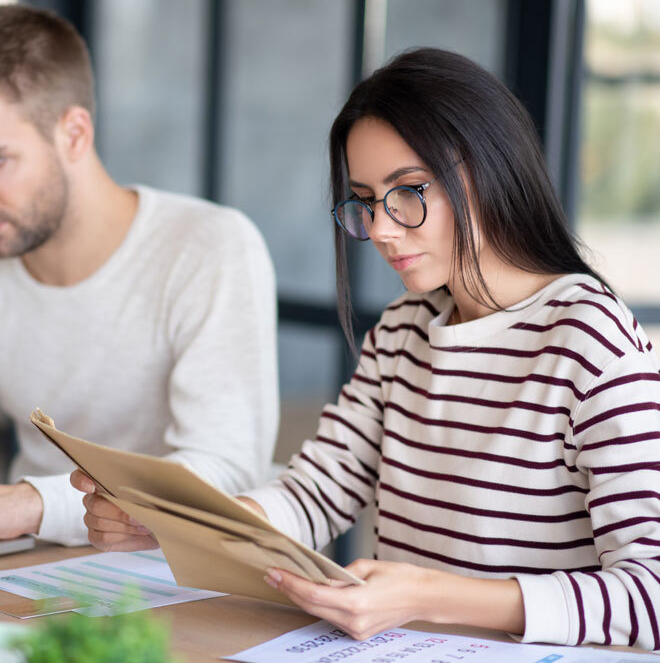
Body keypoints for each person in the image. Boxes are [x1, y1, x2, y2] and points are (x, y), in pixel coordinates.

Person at [74, 47, 660, 649]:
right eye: (365, 200)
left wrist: (427, 595)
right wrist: (178, 525)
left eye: (407, 191)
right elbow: (314, 495)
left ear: (489, 169)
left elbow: (651, 596)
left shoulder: (591, 342)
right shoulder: (405, 329)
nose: (380, 229)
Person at [0, 4, 278, 546]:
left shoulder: (210, 247)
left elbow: (225, 473)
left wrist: (31, 503)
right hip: (32, 560)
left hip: (181, 567)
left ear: (74, 133)